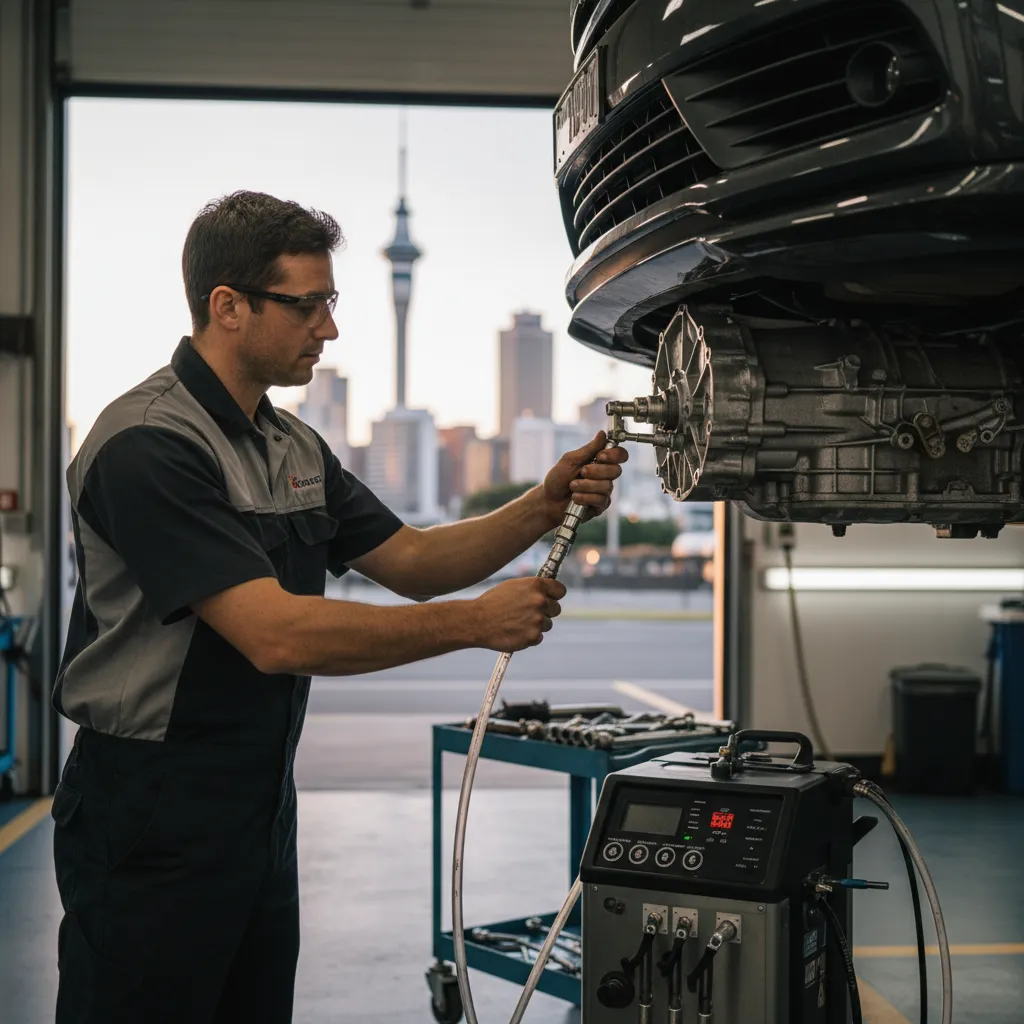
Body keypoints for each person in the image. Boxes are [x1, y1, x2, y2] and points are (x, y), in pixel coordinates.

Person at [51, 190, 627, 1023]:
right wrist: (474, 623)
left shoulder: (291, 445)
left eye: (332, 302)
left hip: (258, 803)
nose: (328, 326)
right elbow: (273, 634)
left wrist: (544, 503)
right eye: (307, 304)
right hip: (148, 808)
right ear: (228, 307)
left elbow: (416, 560)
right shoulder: (148, 444)